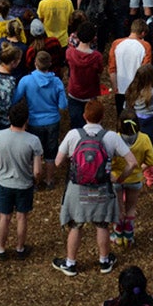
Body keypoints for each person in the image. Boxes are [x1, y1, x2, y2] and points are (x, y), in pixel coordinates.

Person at [56, 99, 136, 276]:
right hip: (102, 188)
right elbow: (132, 162)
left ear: (84, 116)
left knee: (76, 225)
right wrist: (119, 178)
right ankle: (104, 261)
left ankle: (70, 263)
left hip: (77, 188)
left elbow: (57, 161)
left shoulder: (72, 135)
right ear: (102, 117)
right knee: (102, 225)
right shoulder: (111, 137)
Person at [0, 99, 46, 259]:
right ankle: (20, 248)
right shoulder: (33, 141)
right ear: (27, 120)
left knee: (4, 217)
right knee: (22, 217)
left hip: (4, 183)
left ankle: (1, 248)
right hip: (24, 183)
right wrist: (35, 181)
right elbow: (37, 170)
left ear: (9, 117)